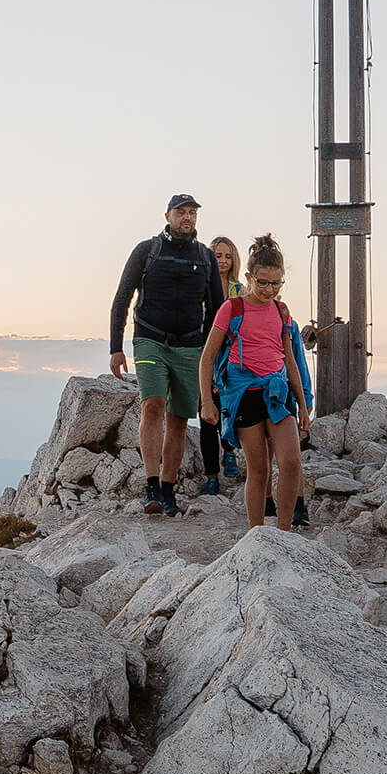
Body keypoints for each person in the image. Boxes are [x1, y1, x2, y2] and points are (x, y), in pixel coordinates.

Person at [109, 193, 224, 515]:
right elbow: (122, 298)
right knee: (153, 405)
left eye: (192, 213)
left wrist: (213, 356)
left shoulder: (205, 257)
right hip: (149, 338)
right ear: (168, 215)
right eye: (181, 212)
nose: (187, 218)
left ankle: (168, 489)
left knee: (179, 419)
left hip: (190, 345)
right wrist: (116, 348)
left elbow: (216, 310)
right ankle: (150, 485)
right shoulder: (147, 251)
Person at [200, 233, 313, 531]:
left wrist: (303, 405)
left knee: (290, 462)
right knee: (259, 469)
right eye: (262, 282)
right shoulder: (232, 308)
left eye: (276, 283)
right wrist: (208, 401)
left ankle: (284, 533)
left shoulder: (282, 311)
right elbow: (208, 356)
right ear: (249, 277)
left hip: (277, 391)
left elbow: (291, 361)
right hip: (244, 395)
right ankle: (256, 535)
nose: (269, 289)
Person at [207, 236, 243, 484]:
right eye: (218, 255)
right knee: (207, 409)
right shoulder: (200, 287)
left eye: (227, 256)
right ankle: (211, 475)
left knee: (228, 405)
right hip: (206, 352)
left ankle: (229, 450)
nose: (222, 260)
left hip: (231, 356)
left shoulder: (239, 290)